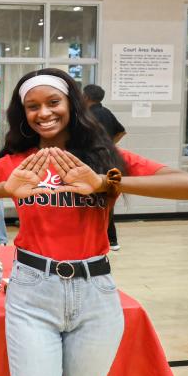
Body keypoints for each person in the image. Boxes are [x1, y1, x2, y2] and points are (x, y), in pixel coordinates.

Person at [0, 68, 188, 376]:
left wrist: (105, 182)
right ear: (23, 114)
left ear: (71, 104)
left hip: (96, 294)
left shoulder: (103, 159)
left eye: (53, 102)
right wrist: (2, 188)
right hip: (33, 293)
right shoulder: (18, 164)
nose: (44, 113)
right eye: (33, 106)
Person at [83, 84, 126, 251]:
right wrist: (109, 146)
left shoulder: (86, 116)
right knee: (107, 200)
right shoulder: (107, 112)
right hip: (108, 160)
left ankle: (94, 239)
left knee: (91, 200)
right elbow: (121, 132)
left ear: (85, 97)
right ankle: (112, 240)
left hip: (92, 162)